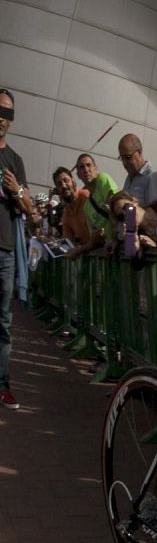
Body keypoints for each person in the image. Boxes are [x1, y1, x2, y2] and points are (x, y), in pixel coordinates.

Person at [0, 88, 34, 410]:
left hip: (5, 251)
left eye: (7, 113)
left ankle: (2, 385)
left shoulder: (15, 160)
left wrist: (16, 189)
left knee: (3, 322)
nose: (1, 118)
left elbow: (28, 207)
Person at [74, 153, 118, 253]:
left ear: (95, 168)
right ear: (78, 175)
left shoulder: (103, 179)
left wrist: (114, 241)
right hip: (108, 250)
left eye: (89, 165)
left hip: (119, 245)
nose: (86, 170)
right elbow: (94, 238)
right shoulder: (87, 207)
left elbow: (116, 211)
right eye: (82, 167)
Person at [117, 132, 157, 208]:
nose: (125, 162)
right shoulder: (130, 176)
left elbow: (156, 214)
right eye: (122, 158)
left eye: (128, 157)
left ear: (139, 152)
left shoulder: (152, 177)